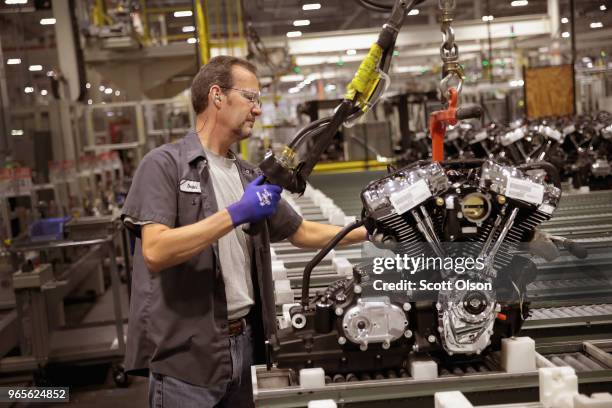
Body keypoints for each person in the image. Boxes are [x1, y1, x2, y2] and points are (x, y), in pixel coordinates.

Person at [121, 55, 367, 408]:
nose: (257, 110)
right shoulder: (164, 165)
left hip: (247, 346)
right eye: (250, 98)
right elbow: (156, 251)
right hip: (187, 359)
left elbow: (302, 232)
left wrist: (370, 231)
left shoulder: (248, 175)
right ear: (217, 96)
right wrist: (237, 213)